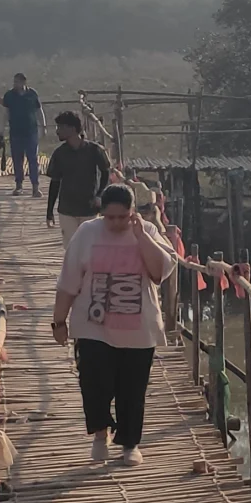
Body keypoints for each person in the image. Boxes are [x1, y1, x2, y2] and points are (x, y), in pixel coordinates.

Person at [52, 182, 172, 467]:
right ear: (101, 212)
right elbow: (68, 281)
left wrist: (142, 236)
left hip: (138, 329)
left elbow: (159, 273)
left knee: (133, 390)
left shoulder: (148, 231)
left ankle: (130, 443)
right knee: (94, 384)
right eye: (110, 217)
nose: (116, 223)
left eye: (122, 217)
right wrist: (59, 321)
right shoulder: (87, 233)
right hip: (93, 325)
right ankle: (100, 435)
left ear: (133, 212)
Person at [45, 109, 111, 243]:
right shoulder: (60, 154)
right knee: (71, 247)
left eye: (61, 127)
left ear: (72, 129)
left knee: (90, 246)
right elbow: (55, 183)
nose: (57, 131)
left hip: (89, 208)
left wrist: (99, 195)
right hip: (67, 210)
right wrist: (49, 211)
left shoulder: (94, 150)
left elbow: (105, 172)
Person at [0, 74, 46, 194]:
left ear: (24, 82)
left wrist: (43, 126)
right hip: (15, 132)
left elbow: (39, 111)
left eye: (17, 82)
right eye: (14, 82)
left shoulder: (32, 94)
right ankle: (19, 185)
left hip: (31, 131)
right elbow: (5, 114)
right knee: (17, 159)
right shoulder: (9, 95)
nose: (15, 84)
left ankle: (35, 186)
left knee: (33, 159)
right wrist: (1, 130)